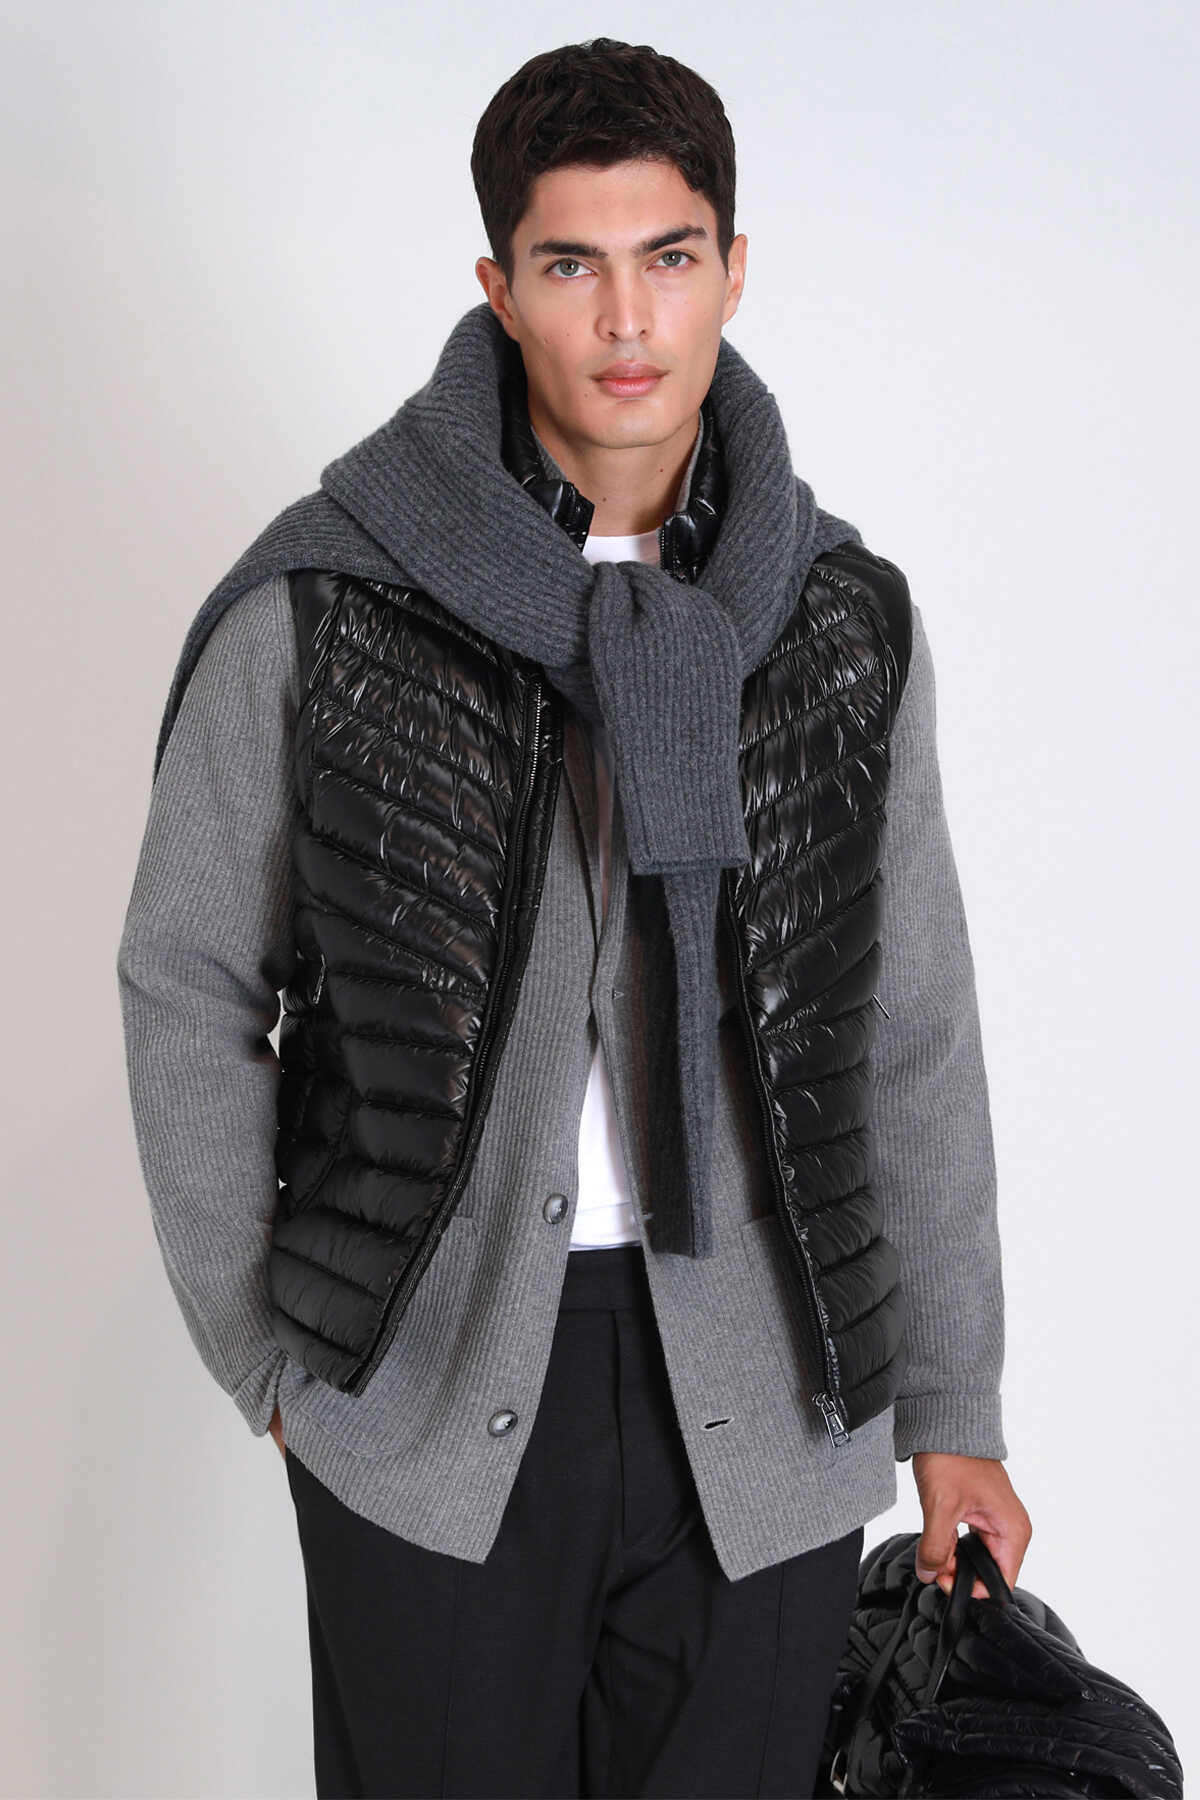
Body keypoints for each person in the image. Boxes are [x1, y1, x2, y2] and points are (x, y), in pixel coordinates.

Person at [116, 35, 1032, 1800]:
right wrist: (272, 1358)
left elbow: (912, 1025)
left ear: (734, 271)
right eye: (570, 263)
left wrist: (956, 1411)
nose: (626, 318)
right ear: (499, 288)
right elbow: (189, 980)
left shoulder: (838, 621)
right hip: (428, 1391)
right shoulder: (330, 601)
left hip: (766, 1401)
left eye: (668, 256)